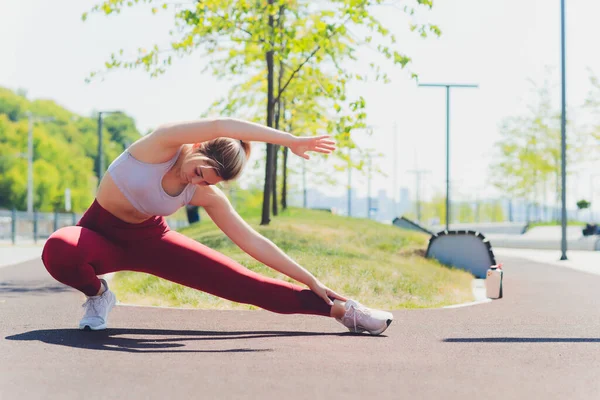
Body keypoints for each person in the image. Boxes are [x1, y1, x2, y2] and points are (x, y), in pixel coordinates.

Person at [41, 118, 394, 335]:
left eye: (208, 182)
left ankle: (345, 311)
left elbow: (252, 242)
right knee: (59, 249)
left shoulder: (204, 192)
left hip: (151, 241)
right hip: (99, 234)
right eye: (199, 171)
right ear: (197, 148)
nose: (198, 181)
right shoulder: (161, 143)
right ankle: (98, 296)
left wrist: (311, 280)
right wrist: (290, 141)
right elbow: (222, 125)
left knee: (246, 285)